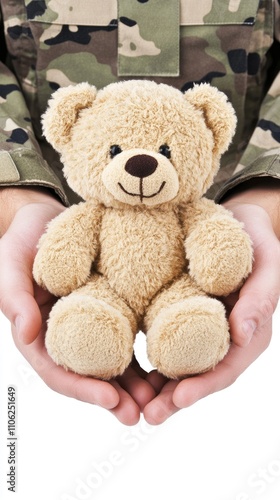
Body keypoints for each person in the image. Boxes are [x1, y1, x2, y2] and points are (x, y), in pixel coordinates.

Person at [0, 0, 279, 426]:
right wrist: (16, 198)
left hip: (206, 233)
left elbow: (219, 257)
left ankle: (186, 329)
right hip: (83, 246)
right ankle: (90, 327)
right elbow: (60, 263)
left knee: (191, 323)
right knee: (85, 322)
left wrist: (265, 197)